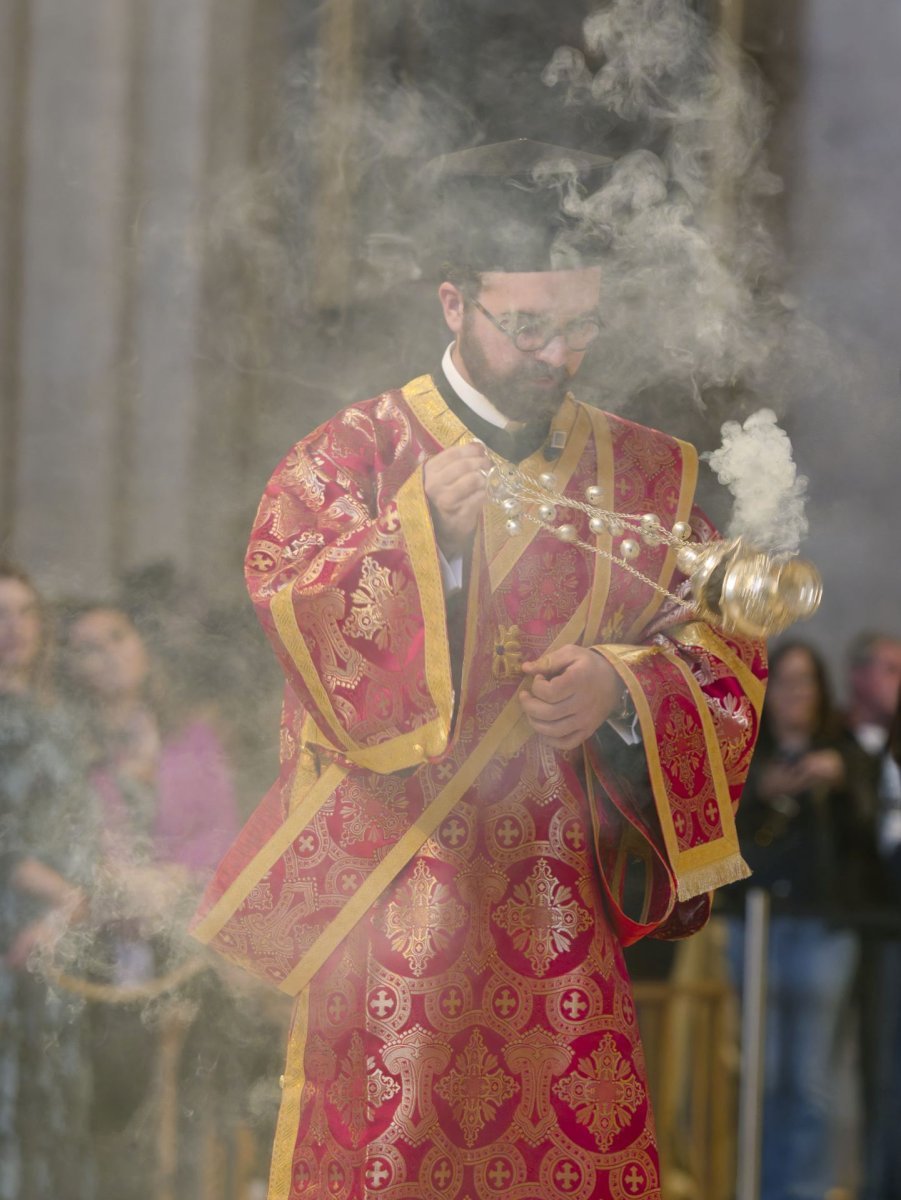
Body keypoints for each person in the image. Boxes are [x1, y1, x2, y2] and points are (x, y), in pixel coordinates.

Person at [191, 139, 768, 1200]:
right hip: (396, 895)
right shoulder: (351, 457)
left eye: (580, 326)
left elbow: (723, 644)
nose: (558, 356)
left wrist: (623, 684)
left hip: (556, 904)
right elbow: (292, 601)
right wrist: (424, 540)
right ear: (454, 304)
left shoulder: (641, 473)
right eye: (530, 326)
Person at [58, 599, 241, 1200]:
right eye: (88, 646)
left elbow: (223, 834)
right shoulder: (69, 749)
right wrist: (112, 884)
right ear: (72, 666)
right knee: (114, 1101)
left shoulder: (191, 737)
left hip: (189, 943)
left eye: (117, 636)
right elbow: (62, 838)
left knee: (201, 1098)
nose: (108, 654)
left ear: (142, 645)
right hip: (102, 955)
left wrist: (172, 880)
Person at [721, 640, 877, 1200]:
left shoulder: (846, 753)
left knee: (809, 1079)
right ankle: (753, 1186)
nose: (795, 693)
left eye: (806, 681)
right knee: (759, 1073)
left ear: (822, 690)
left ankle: (803, 1190)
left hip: (822, 927)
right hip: (753, 925)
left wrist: (840, 776)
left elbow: (869, 831)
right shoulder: (742, 754)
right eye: (784, 682)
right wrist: (760, 787)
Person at [0, 563, 96, 1200]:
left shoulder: (59, 719)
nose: (12, 627)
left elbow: (82, 833)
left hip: (56, 937)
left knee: (56, 1105)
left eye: (24, 612)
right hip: (8, 933)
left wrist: (67, 910)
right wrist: (59, 897)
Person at [843, 632, 901, 1200]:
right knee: (877, 1069)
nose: (894, 681)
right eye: (886, 668)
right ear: (858, 677)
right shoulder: (839, 746)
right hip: (861, 921)